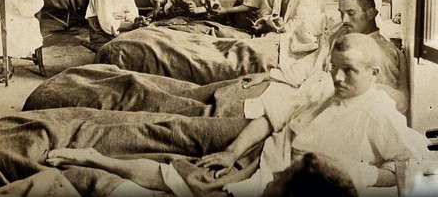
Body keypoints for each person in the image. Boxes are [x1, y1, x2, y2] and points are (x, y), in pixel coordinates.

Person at [46, 34, 429, 196]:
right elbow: (272, 119)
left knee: (191, 182)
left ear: (375, 74)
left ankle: (95, 162)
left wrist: (357, 174)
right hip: (259, 160)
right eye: (334, 66)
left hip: (286, 184)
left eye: (350, 71)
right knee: (191, 169)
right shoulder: (326, 92)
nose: (338, 76)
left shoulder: (380, 114)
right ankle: (97, 158)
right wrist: (232, 154)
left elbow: (413, 168)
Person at [241, 0, 410, 116]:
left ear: (371, 13)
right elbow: (312, 62)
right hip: (302, 92)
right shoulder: (344, 33)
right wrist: (268, 75)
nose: (344, 20)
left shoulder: (381, 53)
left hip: (320, 112)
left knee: (237, 109)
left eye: (351, 13)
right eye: (341, 13)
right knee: (233, 91)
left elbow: (383, 105)